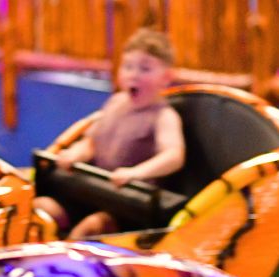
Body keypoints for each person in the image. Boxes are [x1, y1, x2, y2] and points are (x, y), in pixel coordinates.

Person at [34, 28, 185, 238]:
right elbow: (92, 142)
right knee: (43, 207)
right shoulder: (115, 102)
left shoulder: (163, 116)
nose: (134, 75)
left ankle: (65, 265)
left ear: (166, 77)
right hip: (95, 192)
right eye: (128, 67)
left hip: (128, 205)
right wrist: (76, 154)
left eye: (145, 69)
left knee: (93, 226)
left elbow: (174, 156)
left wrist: (136, 173)